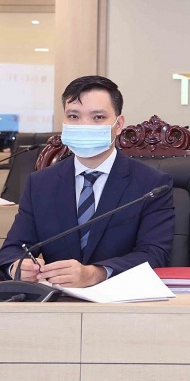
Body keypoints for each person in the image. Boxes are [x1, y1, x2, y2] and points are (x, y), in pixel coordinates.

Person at [0, 76, 175, 288]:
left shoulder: (152, 184)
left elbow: (155, 254)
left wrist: (96, 273)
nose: (84, 125)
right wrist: (18, 267)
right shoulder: (40, 183)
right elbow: (13, 249)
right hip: (57, 299)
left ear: (119, 124)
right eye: (73, 116)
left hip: (122, 299)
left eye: (98, 117)